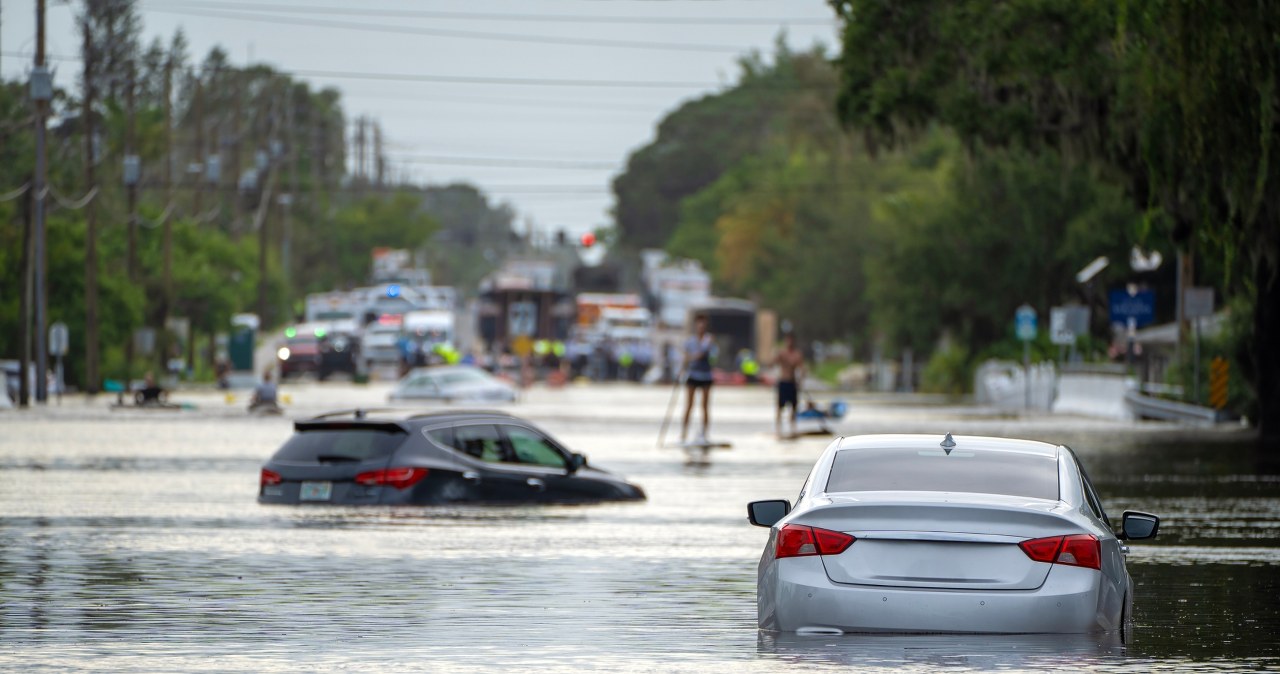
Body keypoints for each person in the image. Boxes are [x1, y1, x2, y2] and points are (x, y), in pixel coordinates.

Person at [681, 315, 715, 443]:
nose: (701, 327)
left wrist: (694, 356)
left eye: (703, 325)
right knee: (689, 405)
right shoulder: (690, 341)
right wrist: (690, 360)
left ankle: (705, 434)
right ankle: (684, 433)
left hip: (706, 375)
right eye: (699, 324)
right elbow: (686, 357)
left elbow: (708, 354)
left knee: (705, 406)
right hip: (693, 374)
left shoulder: (709, 340)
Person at [774, 333, 806, 437]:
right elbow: (772, 362)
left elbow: (802, 369)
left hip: (792, 383)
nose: (789, 343)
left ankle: (793, 429)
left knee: (794, 407)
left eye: (791, 341)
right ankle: (778, 430)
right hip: (783, 382)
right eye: (788, 340)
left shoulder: (797, 354)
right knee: (779, 407)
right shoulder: (781, 353)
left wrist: (800, 381)